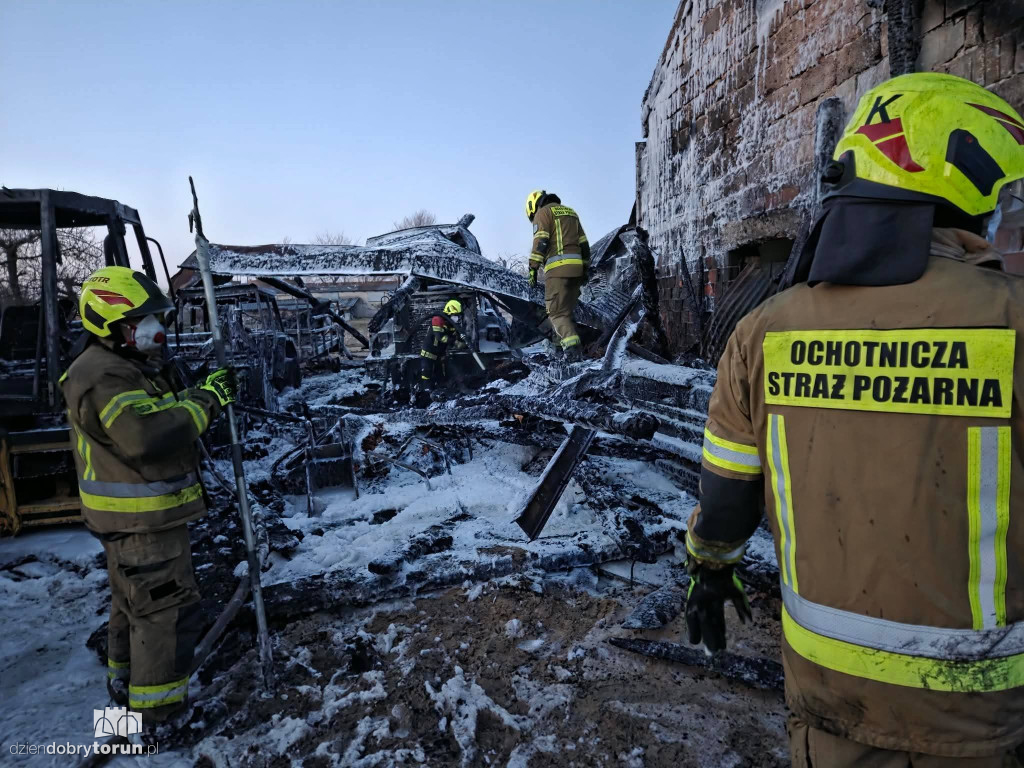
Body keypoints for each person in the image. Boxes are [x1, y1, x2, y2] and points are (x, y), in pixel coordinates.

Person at [682, 72, 1024, 766]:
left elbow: (725, 495)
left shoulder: (762, 331)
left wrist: (710, 572)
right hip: (982, 721)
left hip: (827, 705)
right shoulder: (1011, 319)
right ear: (964, 189)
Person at [61, 266, 236, 723]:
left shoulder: (122, 366)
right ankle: (161, 719)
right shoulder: (105, 375)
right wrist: (208, 400)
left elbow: (156, 411)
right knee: (165, 614)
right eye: (140, 319)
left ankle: (123, 692)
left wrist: (195, 392)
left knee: (132, 605)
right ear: (108, 324)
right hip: (144, 522)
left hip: (130, 521)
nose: (154, 328)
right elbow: (147, 436)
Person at [525, 190, 590, 362]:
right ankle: (560, 350)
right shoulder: (571, 212)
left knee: (556, 313)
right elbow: (584, 245)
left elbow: (541, 241)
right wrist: (585, 268)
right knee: (567, 313)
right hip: (577, 270)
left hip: (558, 269)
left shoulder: (543, 213)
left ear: (533, 207)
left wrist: (533, 268)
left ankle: (573, 353)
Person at [417, 298, 464, 391]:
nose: (456, 317)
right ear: (449, 312)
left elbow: (453, 336)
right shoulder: (437, 319)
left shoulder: (450, 324)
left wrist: (460, 340)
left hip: (439, 355)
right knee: (427, 375)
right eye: (455, 314)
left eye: (457, 315)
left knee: (440, 376)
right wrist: (455, 342)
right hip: (429, 353)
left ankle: (441, 393)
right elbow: (440, 337)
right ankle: (425, 393)